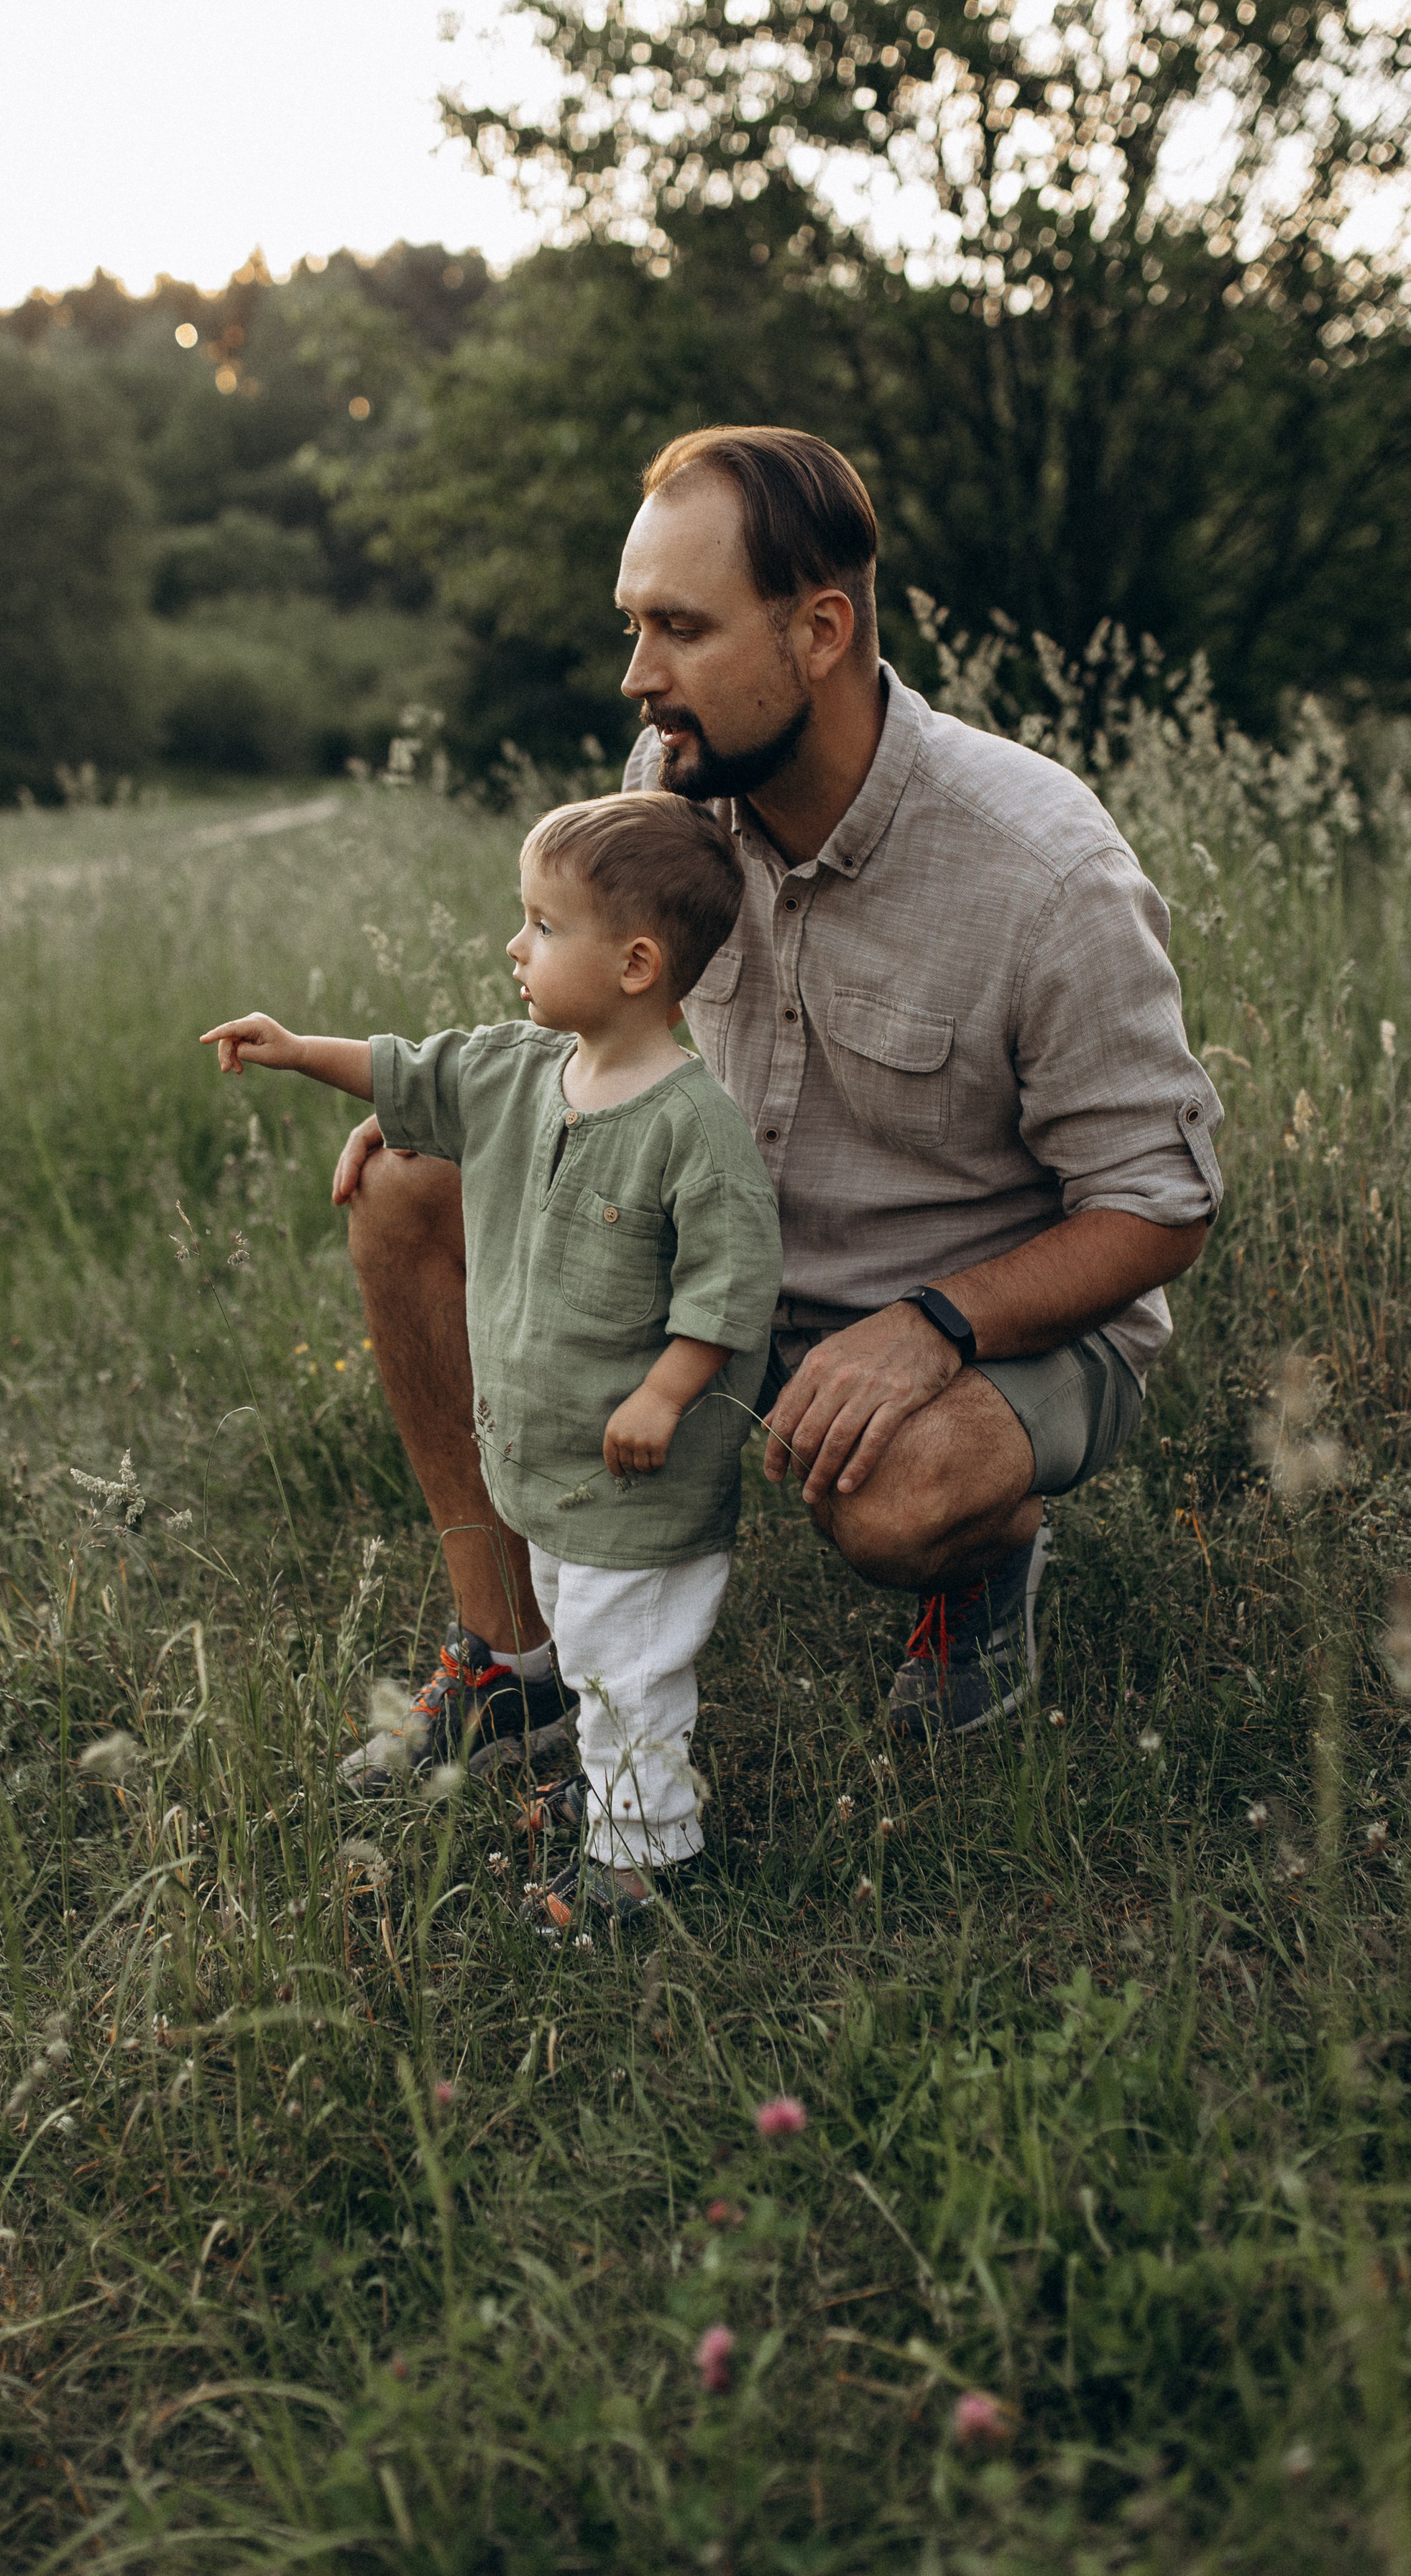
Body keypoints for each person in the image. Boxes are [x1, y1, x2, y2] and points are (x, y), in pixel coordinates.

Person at [331, 425, 1223, 1741]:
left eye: (682, 630)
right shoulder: (675, 789)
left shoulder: (1042, 870)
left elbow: (1161, 1206)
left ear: (819, 631)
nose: (640, 678)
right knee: (409, 1183)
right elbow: (608, 1006)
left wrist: (936, 1324)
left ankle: (987, 1562)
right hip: (727, 1269)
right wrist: (473, 1101)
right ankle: (513, 1657)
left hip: (987, 1323)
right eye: (635, 626)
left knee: (897, 1495)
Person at [201, 791, 782, 1920]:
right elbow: (406, 1071)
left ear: (636, 964)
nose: (515, 946)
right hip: (549, 1464)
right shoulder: (524, 1074)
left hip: (636, 1478)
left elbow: (731, 1284)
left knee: (628, 1667)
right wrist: (292, 1049)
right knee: (580, 1635)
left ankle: (643, 1859)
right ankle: (609, 1792)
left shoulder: (692, 1127)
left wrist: (667, 1394)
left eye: (543, 925)